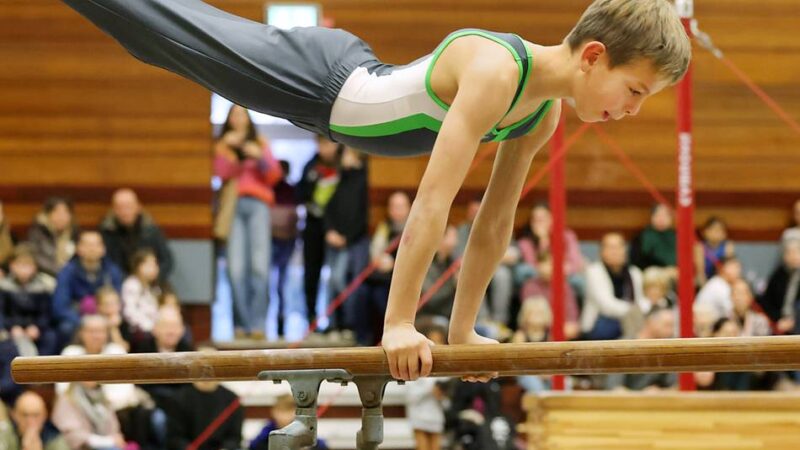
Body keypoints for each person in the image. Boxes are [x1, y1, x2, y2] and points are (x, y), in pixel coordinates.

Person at [60, 0, 691, 381]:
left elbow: (493, 224)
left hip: (346, 77)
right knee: (161, 29)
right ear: (593, 56)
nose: (632, 111)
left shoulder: (541, 112)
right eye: (634, 91)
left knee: (162, 33)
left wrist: (464, 332)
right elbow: (433, 201)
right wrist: (398, 323)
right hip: (315, 82)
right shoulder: (499, 70)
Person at [214, 105, 282, 340]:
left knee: (260, 268)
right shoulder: (223, 144)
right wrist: (234, 150)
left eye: (242, 113)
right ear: (229, 119)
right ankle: (240, 325)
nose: (238, 118)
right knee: (235, 270)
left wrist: (258, 156)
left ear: (248, 118)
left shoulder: (261, 142)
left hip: (258, 206)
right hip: (233, 206)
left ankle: (258, 325)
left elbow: (275, 176)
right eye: (234, 114)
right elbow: (221, 173)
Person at [297, 136, 341, 332]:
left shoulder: (344, 167)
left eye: (329, 143)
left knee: (336, 276)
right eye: (321, 144)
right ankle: (311, 317)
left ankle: (335, 322)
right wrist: (311, 181)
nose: (326, 148)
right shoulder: (310, 166)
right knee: (311, 273)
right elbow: (299, 195)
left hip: (336, 230)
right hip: (313, 227)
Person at [52, 230, 124, 349]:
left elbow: (118, 301)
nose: (92, 249)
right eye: (87, 245)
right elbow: (60, 307)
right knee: (65, 328)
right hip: (78, 319)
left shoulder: (112, 271)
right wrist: (84, 322)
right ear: (78, 248)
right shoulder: (67, 272)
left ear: (103, 249)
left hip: (106, 317)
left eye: (96, 245)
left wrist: (110, 316)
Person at [166, 346, 243, 450]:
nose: (206, 371)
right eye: (201, 366)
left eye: (212, 366)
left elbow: (235, 437)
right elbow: (174, 437)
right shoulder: (178, 399)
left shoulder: (233, 400)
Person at [100, 189, 174, 280]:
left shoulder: (152, 231)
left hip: (152, 282)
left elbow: (166, 261)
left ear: (138, 207)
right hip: (118, 284)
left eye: (128, 207)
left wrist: (154, 276)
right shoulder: (106, 232)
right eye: (120, 207)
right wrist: (129, 281)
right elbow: (106, 263)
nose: (125, 212)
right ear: (114, 210)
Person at [0, 244, 59, 356]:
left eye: (27, 265)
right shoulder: (3, 286)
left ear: (35, 267)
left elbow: (45, 313)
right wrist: (11, 327)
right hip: (11, 329)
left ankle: (43, 371)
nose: (24, 269)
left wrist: (37, 327)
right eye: (20, 265)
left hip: (35, 328)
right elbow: (1, 313)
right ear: (12, 265)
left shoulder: (42, 287)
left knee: (51, 337)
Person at [248, 394, 328, 450]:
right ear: (274, 411)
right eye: (281, 411)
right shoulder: (267, 431)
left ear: (296, 412)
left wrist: (309, 448)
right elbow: (254, 446)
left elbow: (320, 445)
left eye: (288, 411)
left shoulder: (303, 429)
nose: (285, 416)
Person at [27, 197, 79, 277]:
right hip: (44, 274)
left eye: (65, 213)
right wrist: (60, 272)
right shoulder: (37, 232)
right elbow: (37, 257)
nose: (61, 217)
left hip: (71, 275)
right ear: (47, 214)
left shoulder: (76, 233)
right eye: (57, 212)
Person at [0, 391, 71, 450]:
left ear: (44, 416)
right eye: (25, 415)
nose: (30, 421)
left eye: (36, 415)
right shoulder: (5, 433)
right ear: (15, 415)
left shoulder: (54, 438)